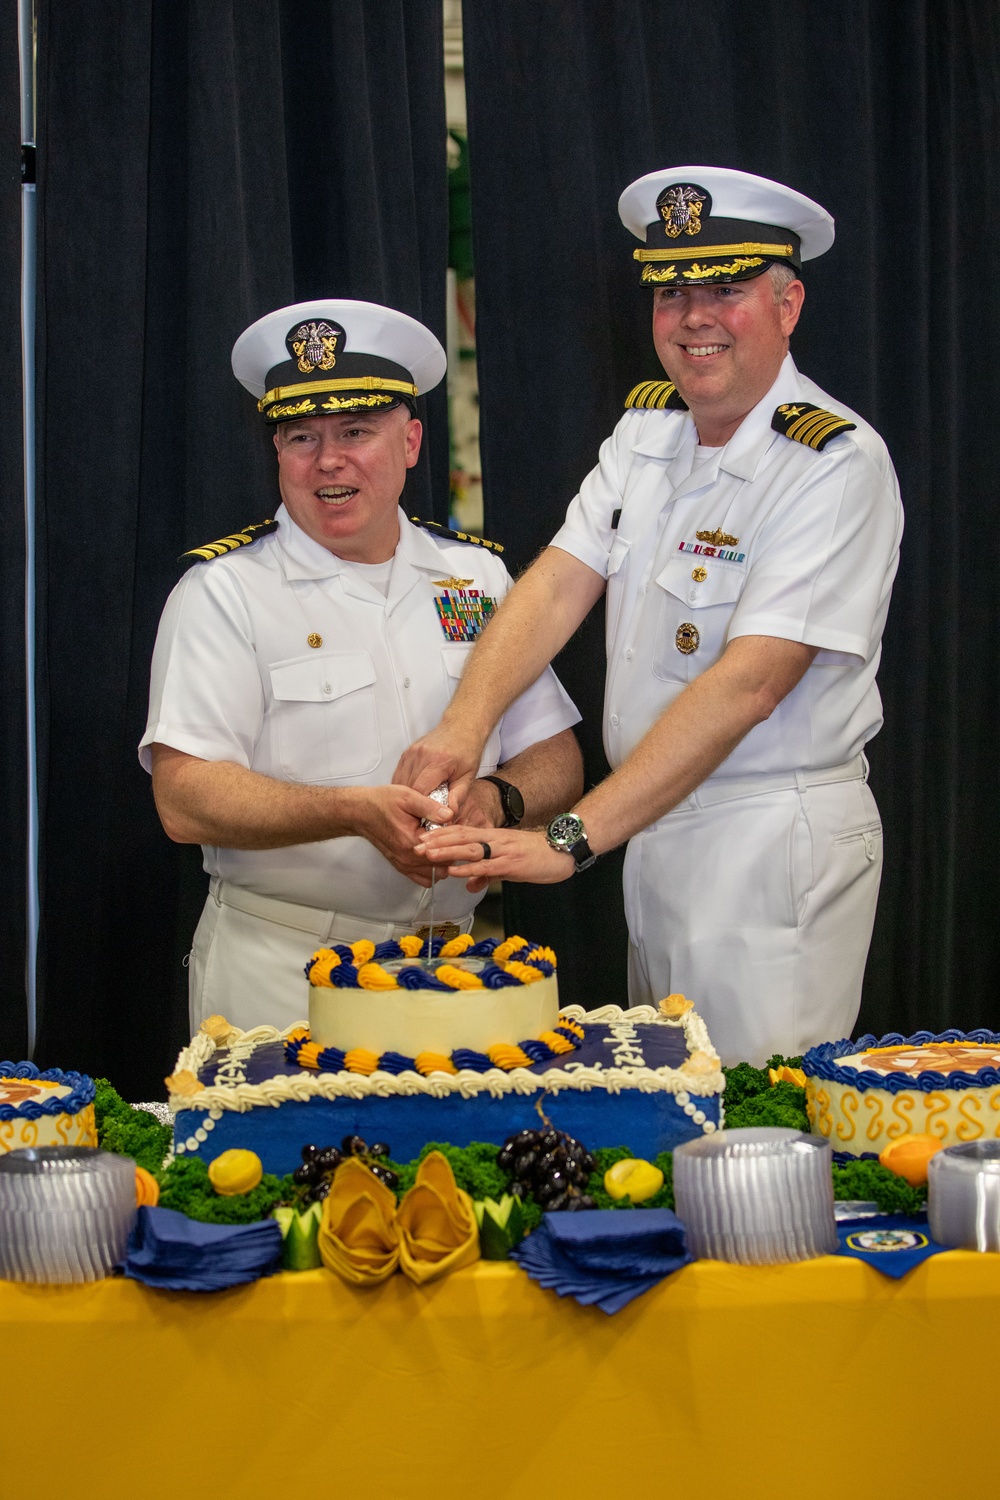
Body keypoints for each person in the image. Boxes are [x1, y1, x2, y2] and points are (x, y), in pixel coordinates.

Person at [404, 168, 903, 1067]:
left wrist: (568, 838)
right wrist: (462, 726)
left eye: (727, 289)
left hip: (766, 840)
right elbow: (558, 584)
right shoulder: (648, 434)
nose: (694, 316)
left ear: (789, 304)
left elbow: (750, 685)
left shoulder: (834, 462)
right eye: (672, 292)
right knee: (674, 1117)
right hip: (655, 825)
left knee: (755, 1131)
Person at [140, 299, 582, 1031]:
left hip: (455, 972)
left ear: (410, 441)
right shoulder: (224, 592)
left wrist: (498, 801)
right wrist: (351, 812)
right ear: (277, 453)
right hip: (284, 976)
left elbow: (556, 753)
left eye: (355, 431)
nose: (328, 460)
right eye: (300, 436)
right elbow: (182, 800)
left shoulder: (476, 581)